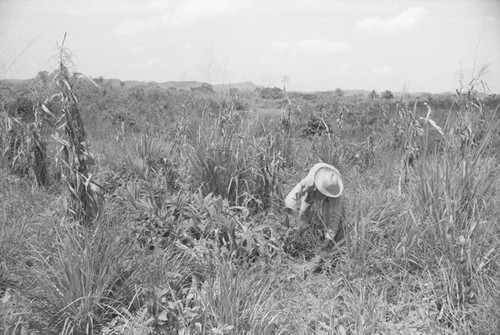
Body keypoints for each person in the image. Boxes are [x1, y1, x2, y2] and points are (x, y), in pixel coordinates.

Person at [284, 162, 345, 250]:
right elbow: (290, 198)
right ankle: (299, 235)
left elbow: (334, 219)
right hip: (318, 174)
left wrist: (326, 243)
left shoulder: (334, 194)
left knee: (327, 218)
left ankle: (325, 242)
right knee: (304, 210)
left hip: (331, 183)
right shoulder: (309, 182)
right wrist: (298, 220)